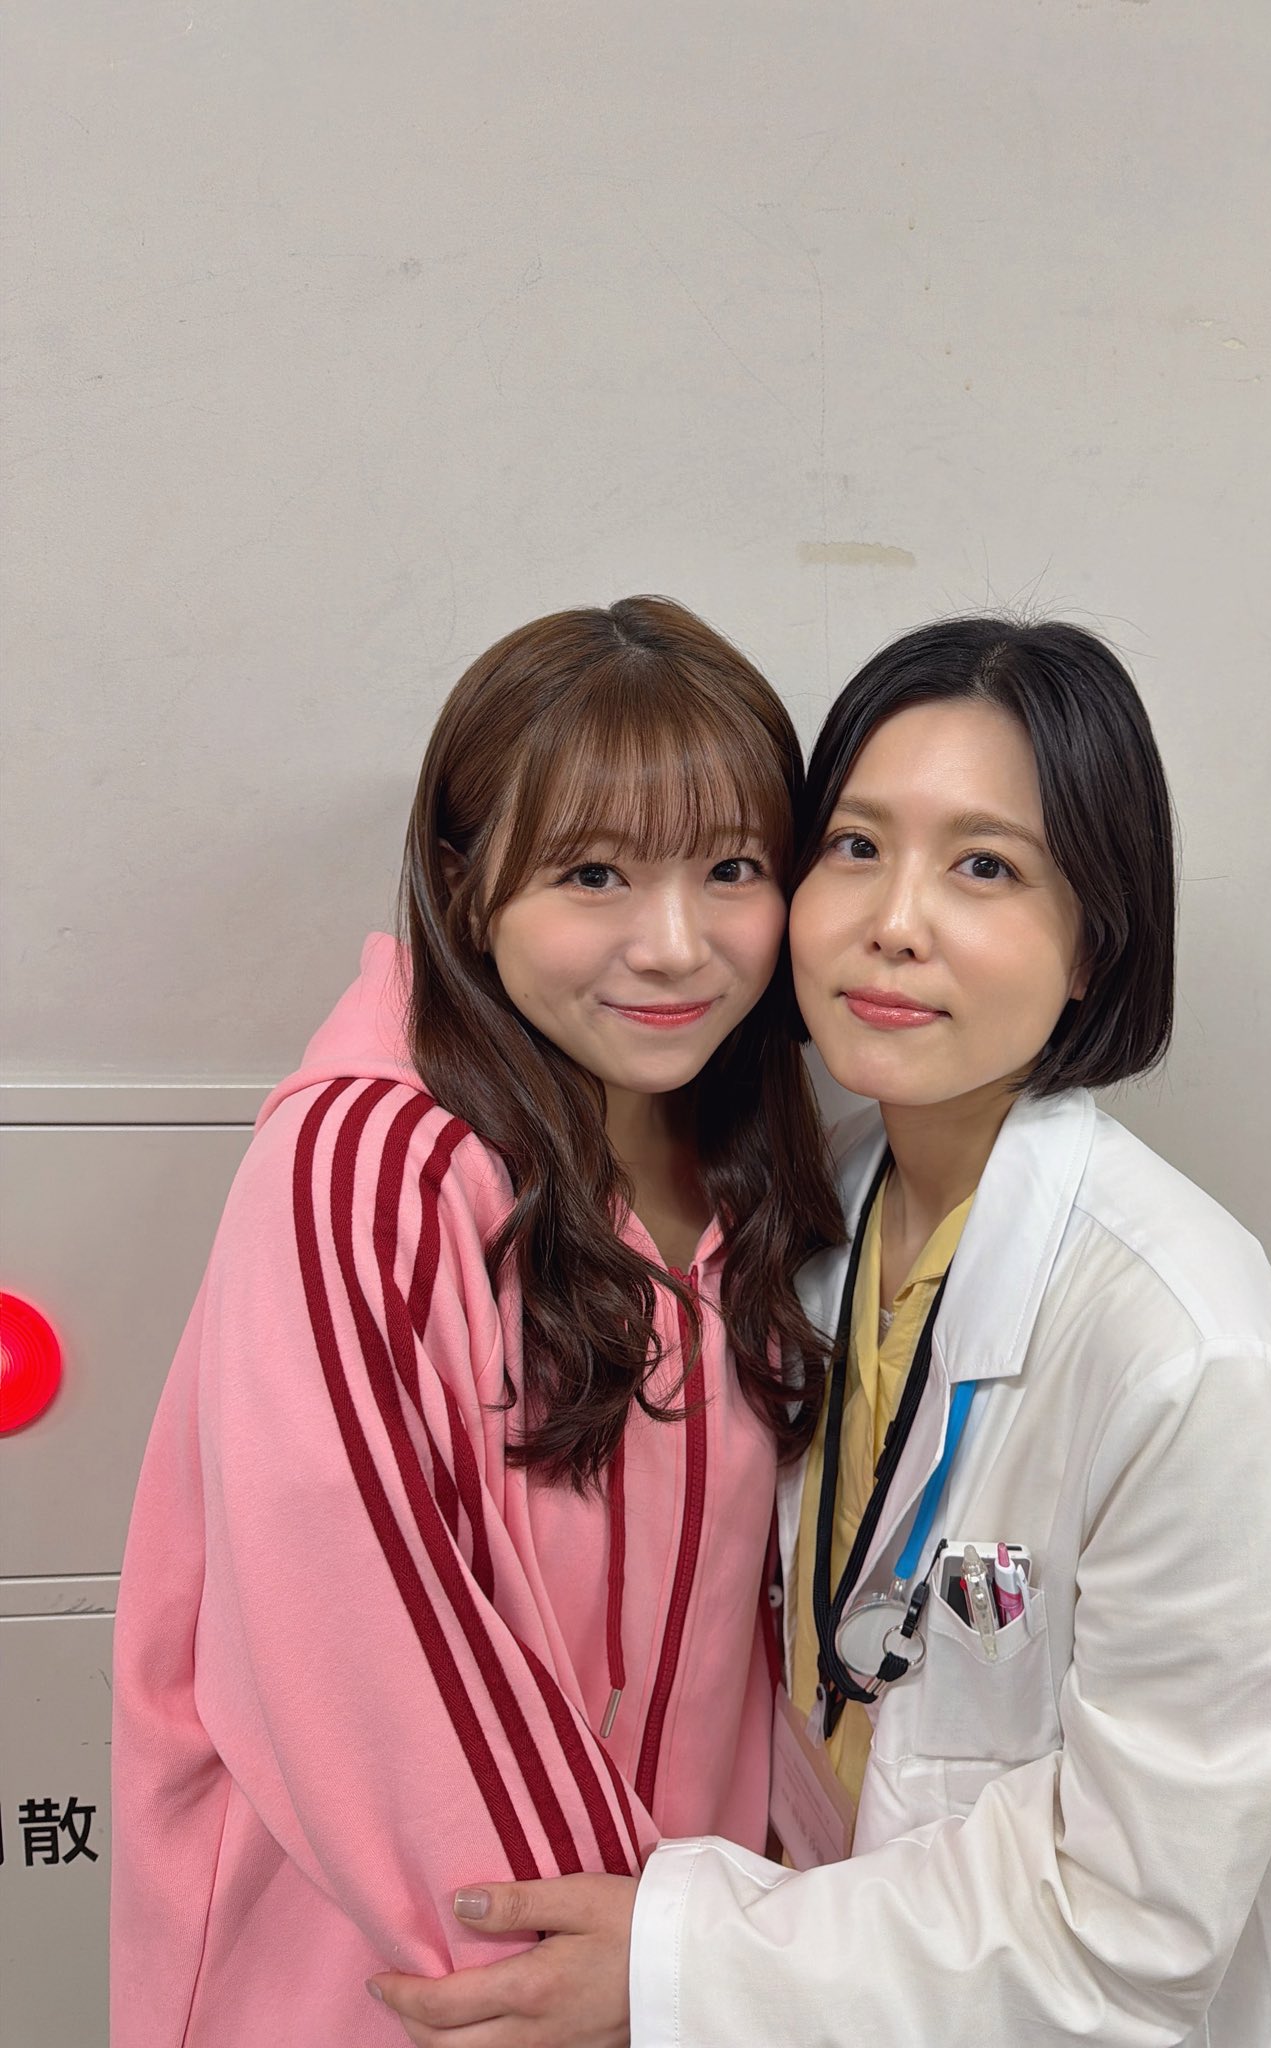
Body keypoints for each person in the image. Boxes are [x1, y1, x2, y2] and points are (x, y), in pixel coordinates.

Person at [375, 617, 1271, 2047]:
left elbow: (1135, 1936)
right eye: (853, 846)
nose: (895, 921)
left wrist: (680, 1965)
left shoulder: (1196, 1356)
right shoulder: (813, 1217)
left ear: (1096, 942)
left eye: (985, 866)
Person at [109, 596, 843, 2047]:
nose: (675, 945)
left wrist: (740, 1954)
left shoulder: (750, 1164)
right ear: (464, 888)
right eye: (593, 874)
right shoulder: (369, 1167)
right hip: (404, 1988)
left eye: (732, 869)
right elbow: (360, 1633)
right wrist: (636, 1963)